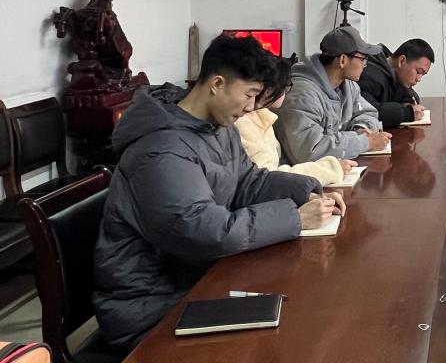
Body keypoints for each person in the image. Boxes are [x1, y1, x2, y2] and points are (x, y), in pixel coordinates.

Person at [93, 35, 344, 352]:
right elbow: (203, 231)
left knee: (304, 306)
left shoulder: (216, 127)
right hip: (151, 306)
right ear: (216, 84)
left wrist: (305, 193)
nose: (251, 107)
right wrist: (294, 219)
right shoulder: (160, 150)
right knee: (292, 337)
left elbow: (248, 181)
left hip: (196, 279)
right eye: (249, 94)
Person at [275, 26, 391, 162]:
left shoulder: (349, 85)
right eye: (363, 59)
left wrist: (359, 128)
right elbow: (308, 151)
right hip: (299, 172)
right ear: (343, 60)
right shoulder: (302, 94)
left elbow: (368, 113)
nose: (364, 66)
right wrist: (365, 142)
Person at [236, 56, 358, 186]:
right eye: (287, 86)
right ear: (268, 90)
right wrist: (330, 169)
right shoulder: (245, 123)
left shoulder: (263, 116)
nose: (289, 92)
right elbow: (267, 178)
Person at [359, 38, 434, 129]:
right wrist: (406, 113)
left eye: (422, 75)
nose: (419, 79)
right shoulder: (368, 75)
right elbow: (366, 112)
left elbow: (412, 98)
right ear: (401, 61)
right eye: (418, 72)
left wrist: (407, 105)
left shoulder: (394, 73)